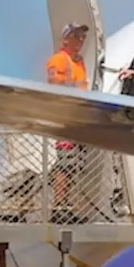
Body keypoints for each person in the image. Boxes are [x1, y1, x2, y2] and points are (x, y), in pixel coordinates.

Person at [45, 23, 91, 221]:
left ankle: (67, 205)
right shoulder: (59, 60)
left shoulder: (79, 62)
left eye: (82, 37)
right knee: (65, 163)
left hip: (78, 118)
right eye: (76, 36)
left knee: (74, 164)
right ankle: (59, 206)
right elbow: (55, 86)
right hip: (65, 117)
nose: (80, 40)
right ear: (66, 39)